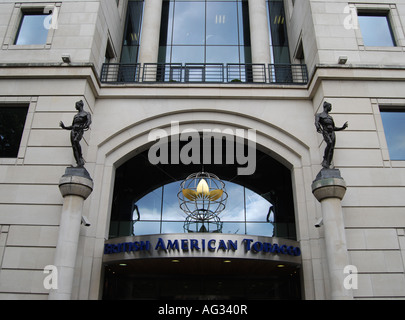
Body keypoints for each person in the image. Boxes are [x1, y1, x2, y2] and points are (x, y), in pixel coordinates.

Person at [315, 101, 348, 169]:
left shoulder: (330, 117)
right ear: (326, 107)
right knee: (329, 143)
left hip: (332, 132)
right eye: (330, 106)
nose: (331, 108)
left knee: (332, 148)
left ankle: (328, 163)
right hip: (325, 131)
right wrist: (318, 127)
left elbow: (333, 127)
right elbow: (316, 122)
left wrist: (342, 127)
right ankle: (325, 159)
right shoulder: (319, 115)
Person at [59, 100, 92, 167]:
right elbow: (72, 126)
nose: (75, 107)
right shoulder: (76, 116)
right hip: (73, 130)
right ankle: (78, 162)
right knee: (74, 146)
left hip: (80, 130)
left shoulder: (86, 114)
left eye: (76, 105)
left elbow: (89, 121)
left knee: (76, 141)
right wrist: (64, 127)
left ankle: (80, 157)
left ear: (79, 105)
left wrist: (86, 125)